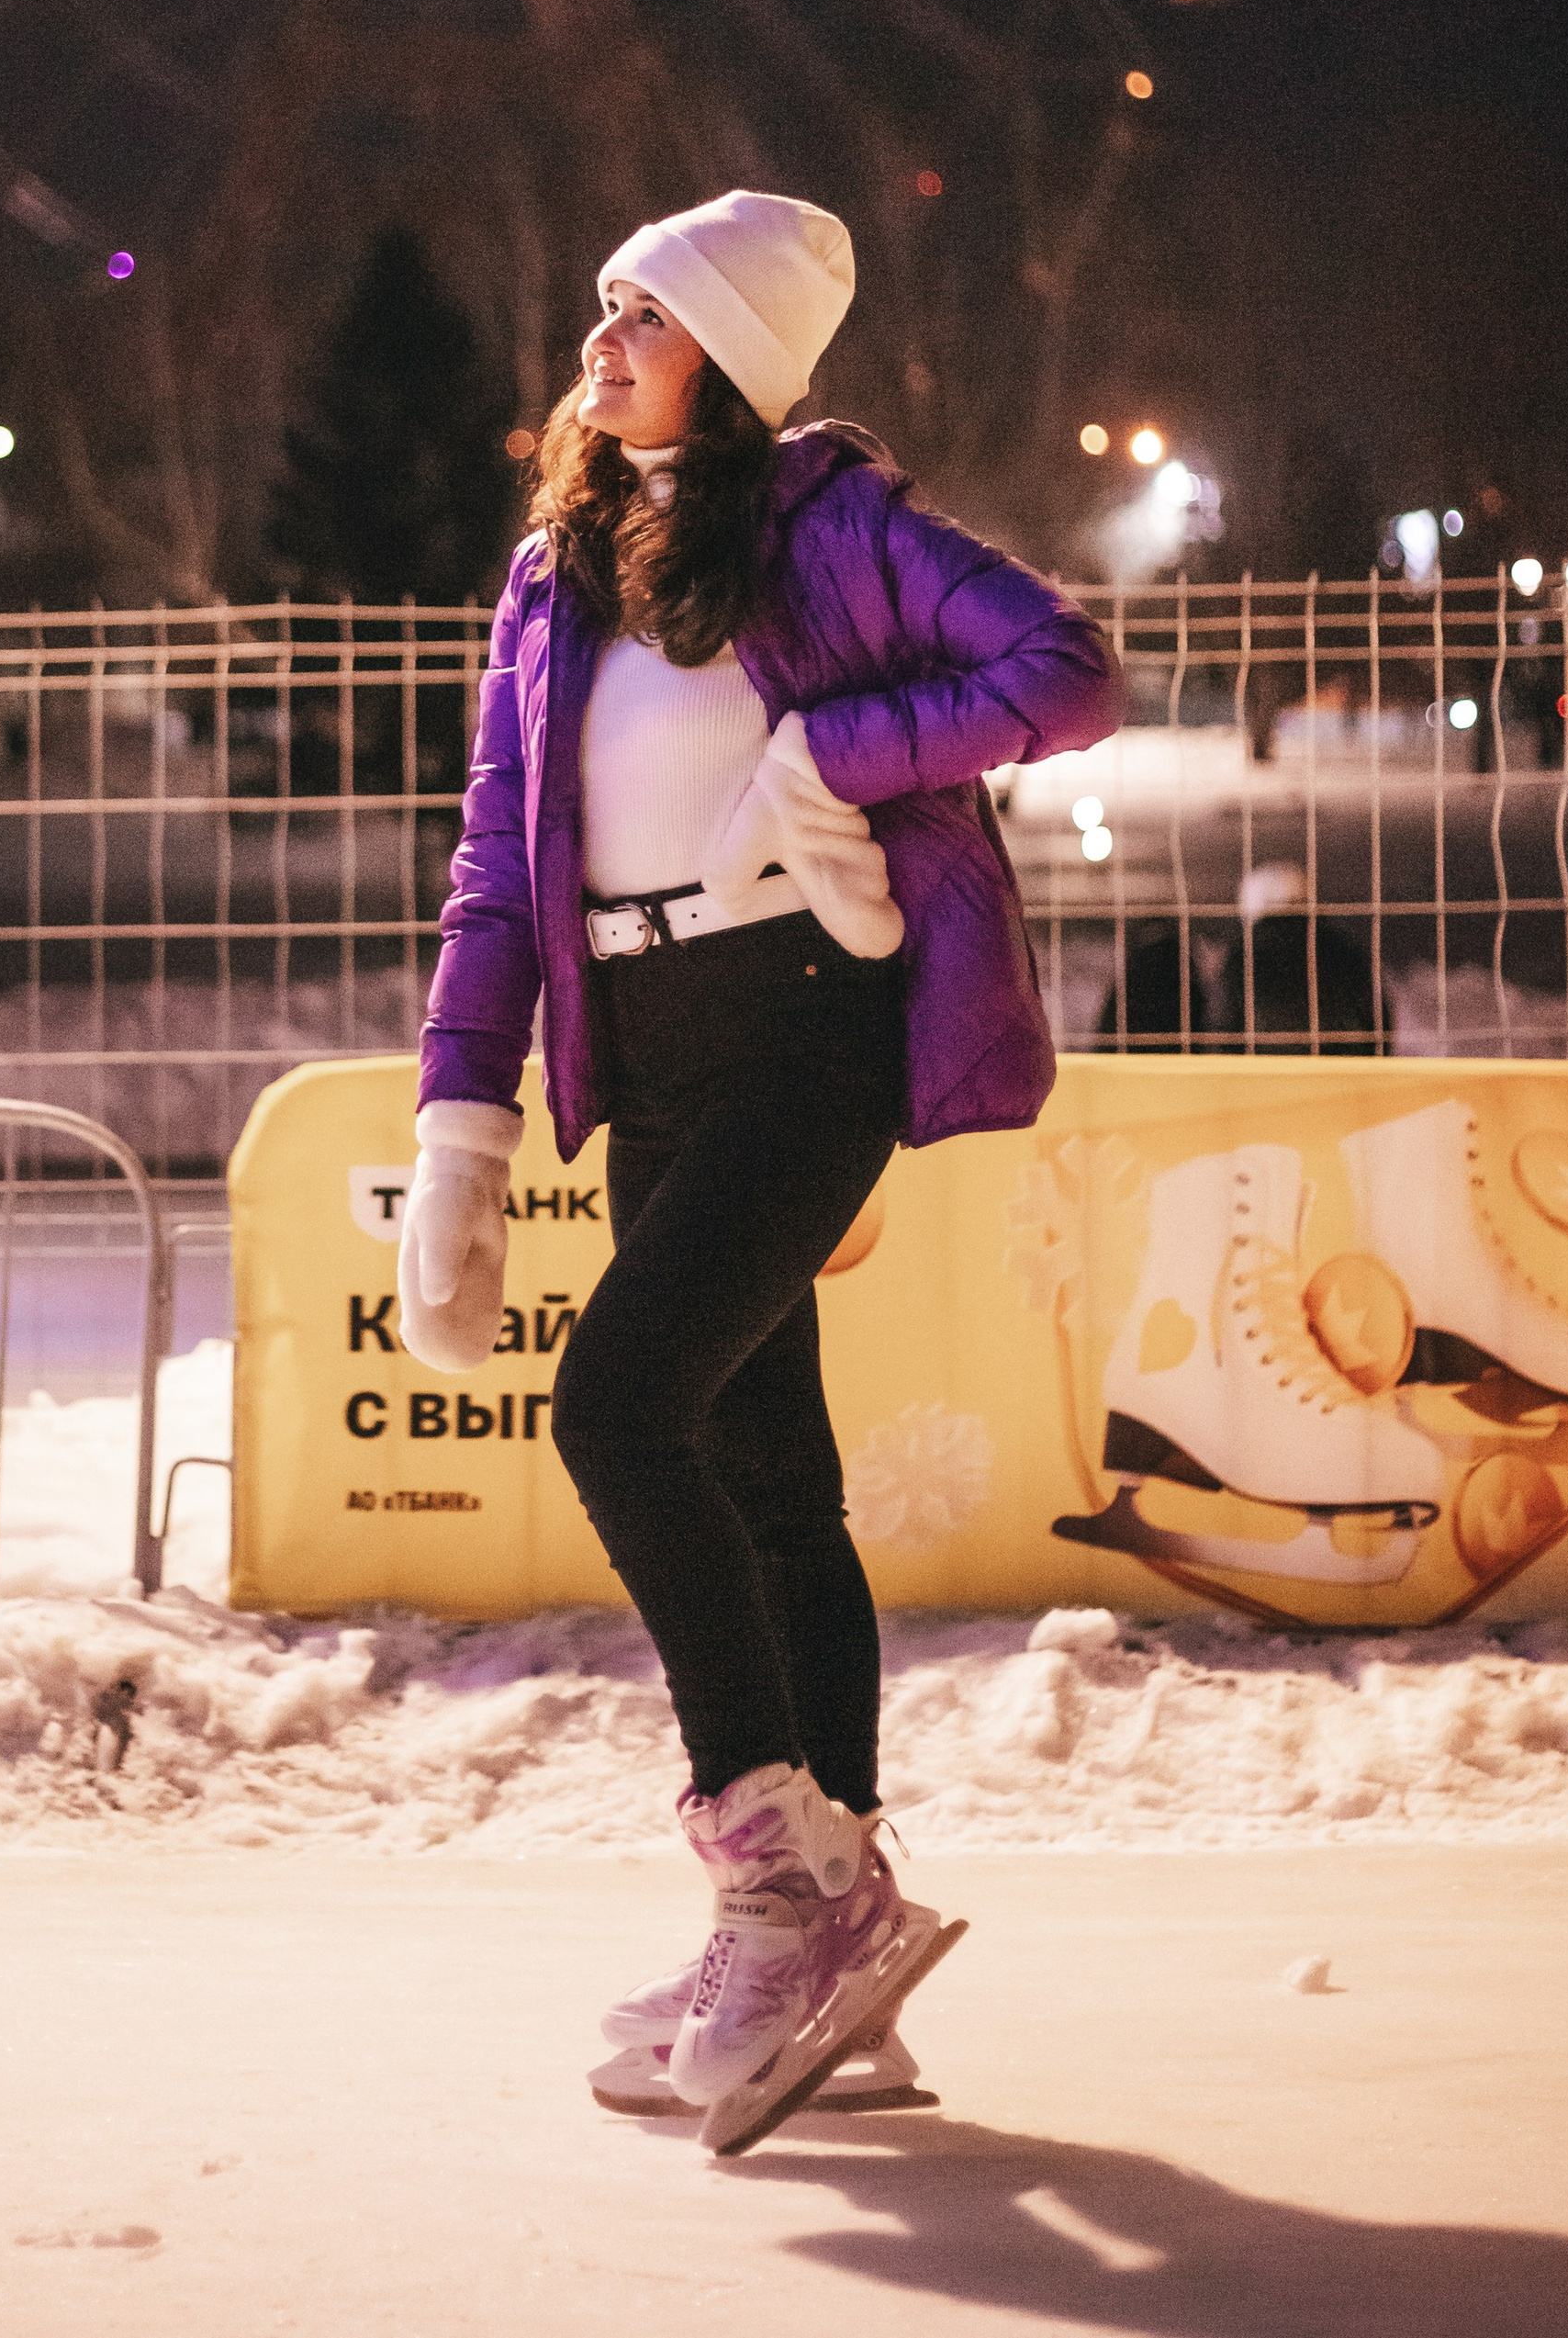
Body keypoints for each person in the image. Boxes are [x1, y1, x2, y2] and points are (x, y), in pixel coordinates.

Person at [398, 189, 1124, 2148]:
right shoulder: (555, 570)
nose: (598, 335)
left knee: (617, 1401)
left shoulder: (833, 524)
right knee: (763, 1475)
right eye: (602, 299)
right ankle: (838, 1954)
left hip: (805, 1032)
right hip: (639, 1054)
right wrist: (455, 1124)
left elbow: (1062, 668)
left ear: (733, 351)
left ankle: (785, 1885)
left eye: (644, 310)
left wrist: (842, 757)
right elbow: (494, 865)